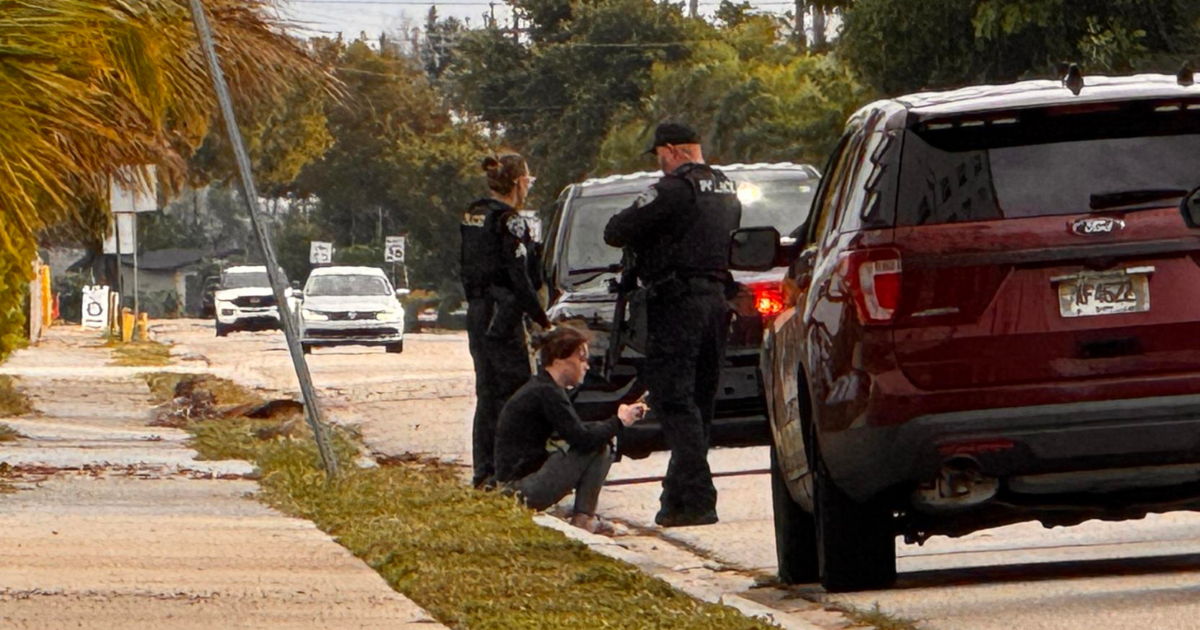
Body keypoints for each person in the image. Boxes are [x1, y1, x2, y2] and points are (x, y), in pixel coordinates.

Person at [602, 122, 742, 527]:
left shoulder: (673, 189)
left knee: (673, 401)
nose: (659, 164)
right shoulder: (726, 187)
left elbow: (616, 231)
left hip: (677, 303)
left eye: (660, 155)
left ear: (675, 151)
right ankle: (676, 500)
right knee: (698, 403)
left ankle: (699, 497)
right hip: (716, 301)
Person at [494, 327, 648, 531]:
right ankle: (583, 518)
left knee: (601, 435)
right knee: (603, 441)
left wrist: (610, 423)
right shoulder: (547, 392)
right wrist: (620, 421)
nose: (586, 366)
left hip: (514, 485)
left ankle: (584, 516)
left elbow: (575, 429)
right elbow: (582, 439)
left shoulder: (543, 387)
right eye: (581, 358)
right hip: (519, 491)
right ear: (560, 359)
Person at [461, 153, 553, 488]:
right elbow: (520, 278)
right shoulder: (509, 221)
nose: (529, 187)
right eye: (528, 180)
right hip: (503, 313)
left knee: (487, 392)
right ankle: (510, 469)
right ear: (517, 182)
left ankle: (483, 470)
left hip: (477, 310)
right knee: (514, 392)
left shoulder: (474, 213)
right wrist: (541, 318)